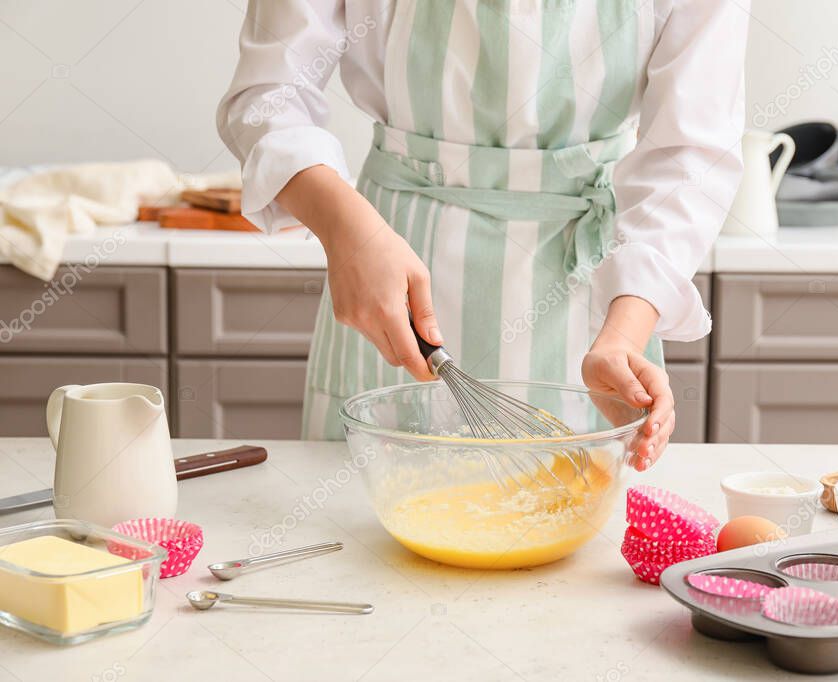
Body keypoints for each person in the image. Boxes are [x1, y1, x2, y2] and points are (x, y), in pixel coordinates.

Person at [218, 0, 748, 469]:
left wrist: (626, 334)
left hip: (591, 310)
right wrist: (344, 230)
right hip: (393, 261)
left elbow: (690, 154)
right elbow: (269, 94)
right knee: (367, 544)